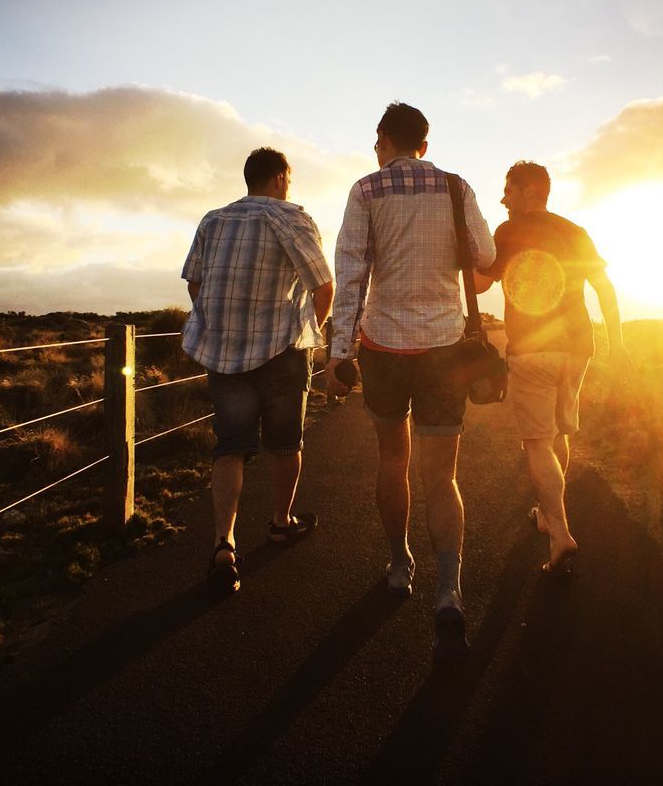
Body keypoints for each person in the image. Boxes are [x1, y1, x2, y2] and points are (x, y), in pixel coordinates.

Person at [326, 102, 495, 666]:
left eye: (377, 143)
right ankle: (449, 589)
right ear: (423, 144)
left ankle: (400, 564)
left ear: (384, 140)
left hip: (384, 348)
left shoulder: (366, 190)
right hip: (445, 348)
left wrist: (337, 352)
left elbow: (351, 271)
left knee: (391, 459)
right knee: (441, 475)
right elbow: (485, 257)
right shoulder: (455, 187)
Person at [181, 147, 334, 597]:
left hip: (225, 353)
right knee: (286, 445)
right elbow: (323, 286)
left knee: (229, 447)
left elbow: (194, 282)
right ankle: (280, 522)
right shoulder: (293, 218)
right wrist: (310, 330)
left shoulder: (213, 220)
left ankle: (223, 544)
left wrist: (221, 323)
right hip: (283, 352)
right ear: (280, 178)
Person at [475, 161, 627, 576]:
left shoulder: (509, 231)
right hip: (579, 347)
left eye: (509, 190)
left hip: (531, 351)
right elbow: (605, 289)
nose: (503, 199)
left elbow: (478, 284)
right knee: (558, 431)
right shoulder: (575, 231)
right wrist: (618, 342)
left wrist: (466, 251)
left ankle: (559, 533)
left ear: (530, 191)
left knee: (537, 442)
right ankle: (547, 512)